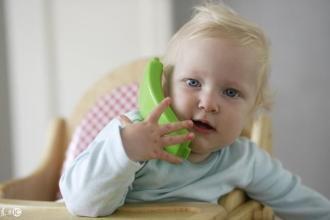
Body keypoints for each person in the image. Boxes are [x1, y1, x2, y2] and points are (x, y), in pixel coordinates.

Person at [59, 3, 330, 219]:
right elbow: (82, 204)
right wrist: (125, 151)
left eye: (231, 92)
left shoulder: (243, 159)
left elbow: (298, 201)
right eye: (193, 83)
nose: (208, 102)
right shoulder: (131, 134)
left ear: (252, 111)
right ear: (163, 87)